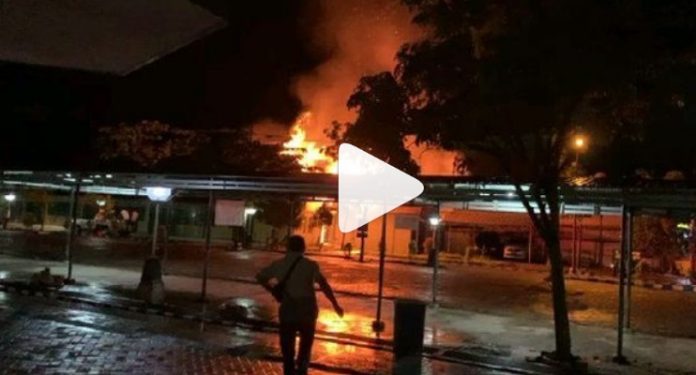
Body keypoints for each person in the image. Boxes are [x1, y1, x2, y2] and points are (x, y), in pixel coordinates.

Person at [256, 235, 344, 375]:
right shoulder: (311, 265)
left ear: (288, 247)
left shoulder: (279, 264)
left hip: (288, 309)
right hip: (307, 310)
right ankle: (302, 370)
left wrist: (272, 290)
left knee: (287, 348)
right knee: (305, 346)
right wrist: (335, 305)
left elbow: (260, 276)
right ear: (303, 248)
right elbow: (324, 285)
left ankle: (289, 371)